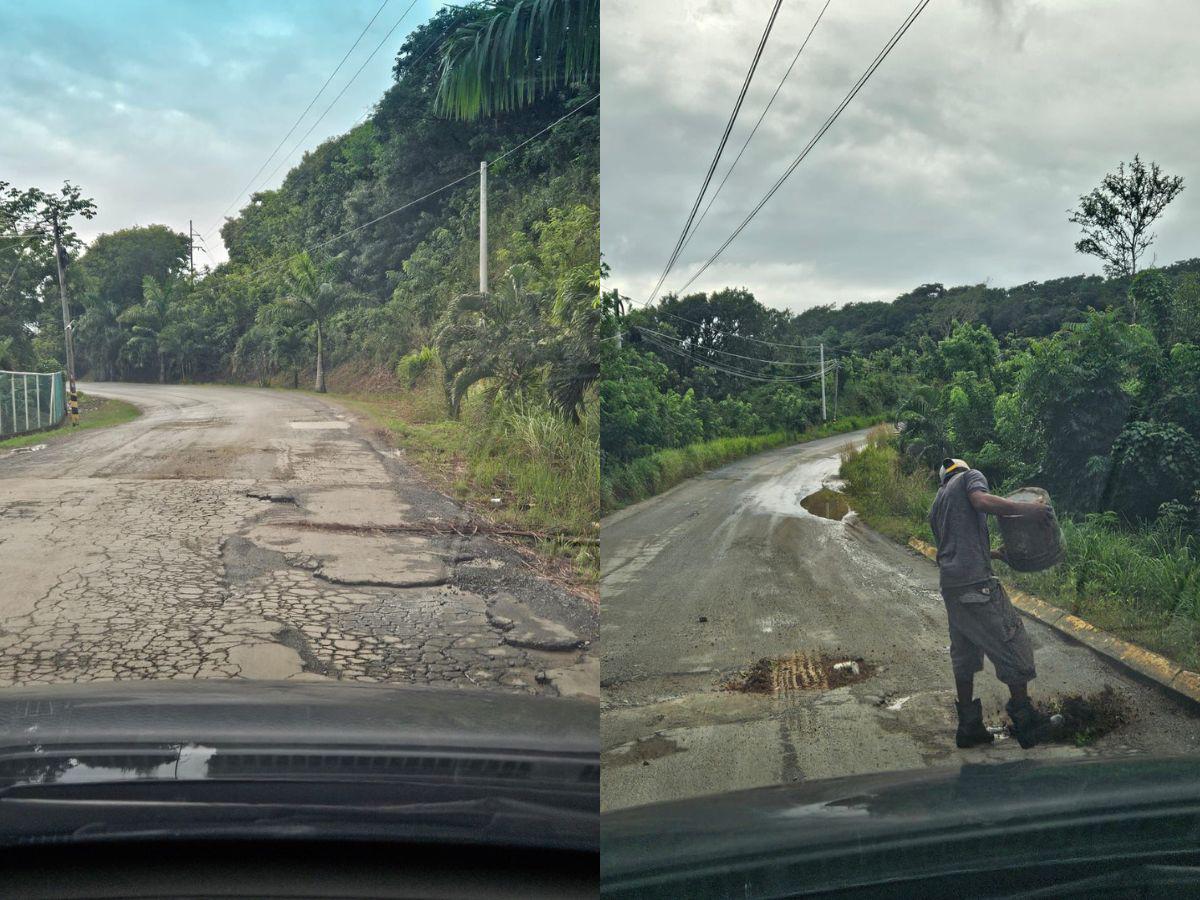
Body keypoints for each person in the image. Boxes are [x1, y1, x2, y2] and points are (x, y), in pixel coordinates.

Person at [929, 457, 1057, 749]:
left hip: (952, 588)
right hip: (977, 584)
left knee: (964, 654)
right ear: (962, 469)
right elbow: (981, 501)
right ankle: (1026, 722)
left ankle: (969, 726)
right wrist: (1029, 510)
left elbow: (957, 544)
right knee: (1013, 639)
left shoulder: (938, 503)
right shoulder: (969, 477)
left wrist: (993, 554)